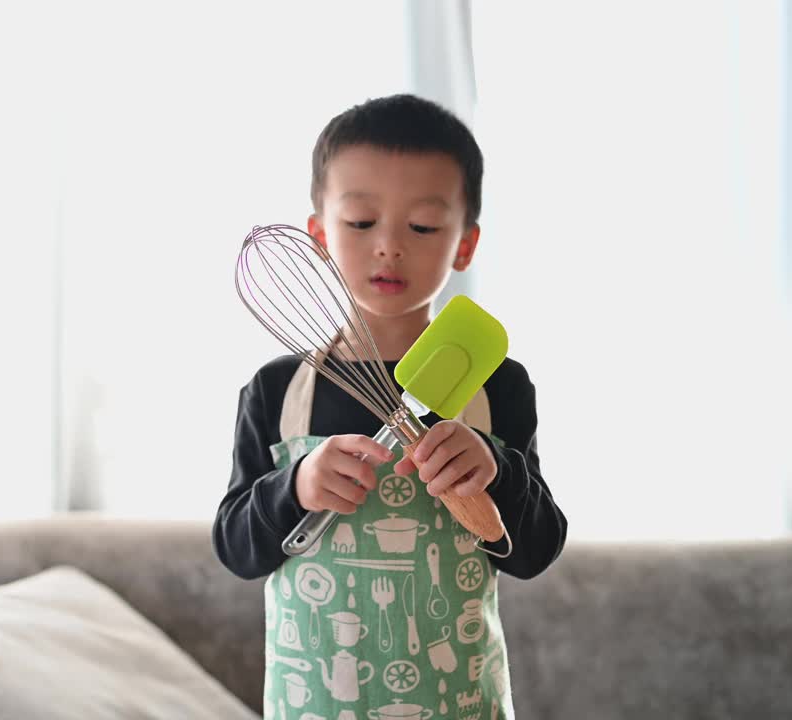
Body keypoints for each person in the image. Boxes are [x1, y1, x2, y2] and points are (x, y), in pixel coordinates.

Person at [213, 94, 567, 720]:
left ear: (464, 245)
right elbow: (236, 548)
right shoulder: (278, 390)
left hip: (458, 703)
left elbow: (536, 551)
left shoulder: (496, 386)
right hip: (314, 705)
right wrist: (294, 485)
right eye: (360, 222)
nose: (389, 246)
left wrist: (494, 468)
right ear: (319, 236)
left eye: (424, 227)